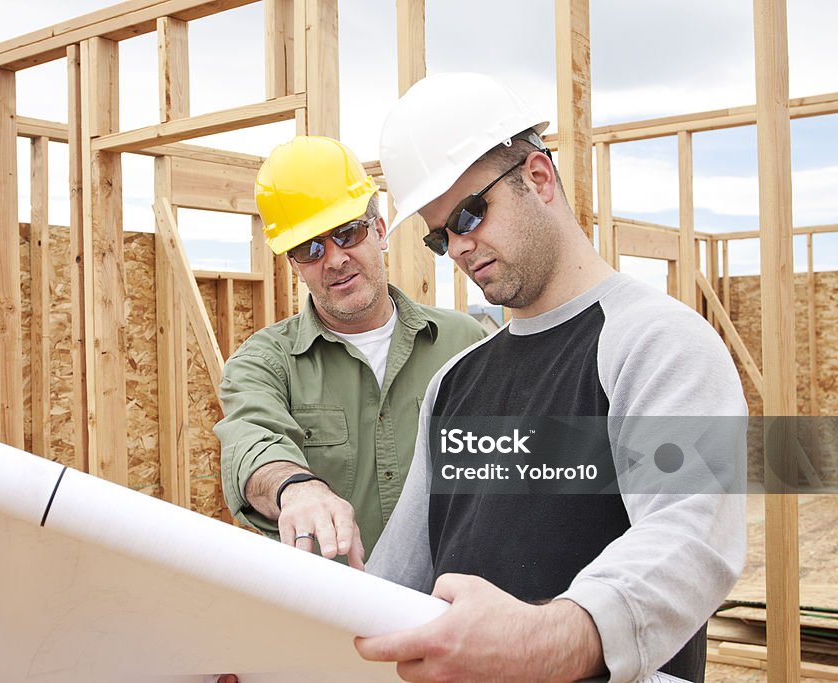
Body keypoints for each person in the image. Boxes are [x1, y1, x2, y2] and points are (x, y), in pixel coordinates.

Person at [357, 73, 747, 682]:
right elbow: (396, 581)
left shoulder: (654, 342)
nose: (458, 246)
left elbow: (690, 535)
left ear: (538, 178)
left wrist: (546, 639)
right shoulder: (454, 384)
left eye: (469, 213)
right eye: (440, 235)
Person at [215, 135, 487, 569]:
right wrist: (296, 487)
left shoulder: (463, 342)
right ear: (294, 264)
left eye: (347, 233)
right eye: (310, 248)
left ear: (379, 231)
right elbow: (252, 443)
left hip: (451, 609)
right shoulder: (263, 363)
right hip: (330, 615)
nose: (335, 259)